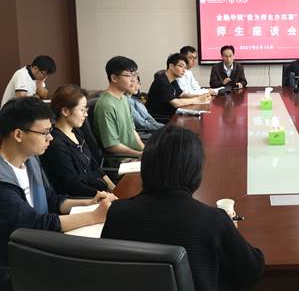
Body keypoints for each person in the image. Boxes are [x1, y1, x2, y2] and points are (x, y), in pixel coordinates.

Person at [102, 125, 265, 291]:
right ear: (195, 171)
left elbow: (108, 270)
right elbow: (252, 272)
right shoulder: (213, 221)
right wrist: (229, 229)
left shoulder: (117, 213)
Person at [0, 98, 116, 275]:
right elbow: (32, 224)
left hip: (39, 245)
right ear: (18, 135)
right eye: (44, 133)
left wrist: (89, 202)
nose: (50, 138)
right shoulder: (3, 180)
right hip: (16, 265)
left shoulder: (31, 160)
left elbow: (50, 199)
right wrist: (93, 216)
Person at [41, 85, 115, 196]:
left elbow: (94, 165)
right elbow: (72, 185)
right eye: (82, 110)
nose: (86, 114)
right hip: (84, 198)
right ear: (65, 111)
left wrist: (113, 187)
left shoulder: (76, 131)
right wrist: (103, 194)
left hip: (98, 191)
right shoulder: (56, 143)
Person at [93, 56, 144, 157]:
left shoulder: (124, 99)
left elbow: (132, 131)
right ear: (114, 78)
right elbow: (112, 146)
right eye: (129, 76)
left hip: (135, 155)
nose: (134, 80)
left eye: (134, 75)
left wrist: (144, 150)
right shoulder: (106, 105)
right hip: (121, 159)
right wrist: (139, 154)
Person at [146, 53, 210, 122]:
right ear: (171, 66)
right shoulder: (162, 81)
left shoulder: (173, 80)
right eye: (181, 66)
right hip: (159, 118)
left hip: (171, 114)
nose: (184, 70)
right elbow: (176, 103)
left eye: (185, 68)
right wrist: (197, 99)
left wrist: (200, 96)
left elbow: (182, 94)